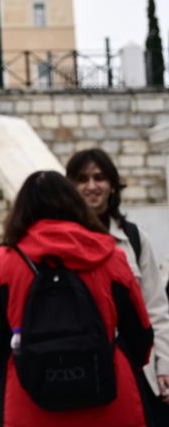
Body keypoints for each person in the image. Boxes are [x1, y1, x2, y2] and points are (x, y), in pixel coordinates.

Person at [0, 170, 152, 427]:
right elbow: (141, 333)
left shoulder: (1, 264)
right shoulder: (112, 256)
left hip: (28, 400)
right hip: (110, 396)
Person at [67, 148, 169, 425]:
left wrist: (165, 366)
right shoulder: (60, 243)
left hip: (137, 369)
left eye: (99, 178)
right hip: (79, 370)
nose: (92, 186)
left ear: (112, 184)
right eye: (83, 179)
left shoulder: (134, 239)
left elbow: (156, 308)